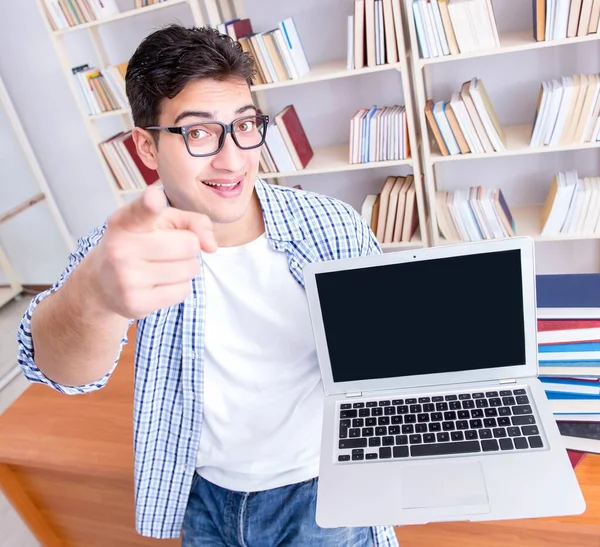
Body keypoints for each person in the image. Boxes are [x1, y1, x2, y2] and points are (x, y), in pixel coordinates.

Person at [17, 24, 399, 547]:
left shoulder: (332, 226)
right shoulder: (120, 249)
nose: (232, 158)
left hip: (322, 492)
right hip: (202, 495)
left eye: (245, 125)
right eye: (198, 133)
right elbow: (59, 372)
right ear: (145, 149)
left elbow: (387, 361)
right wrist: (92, 299)